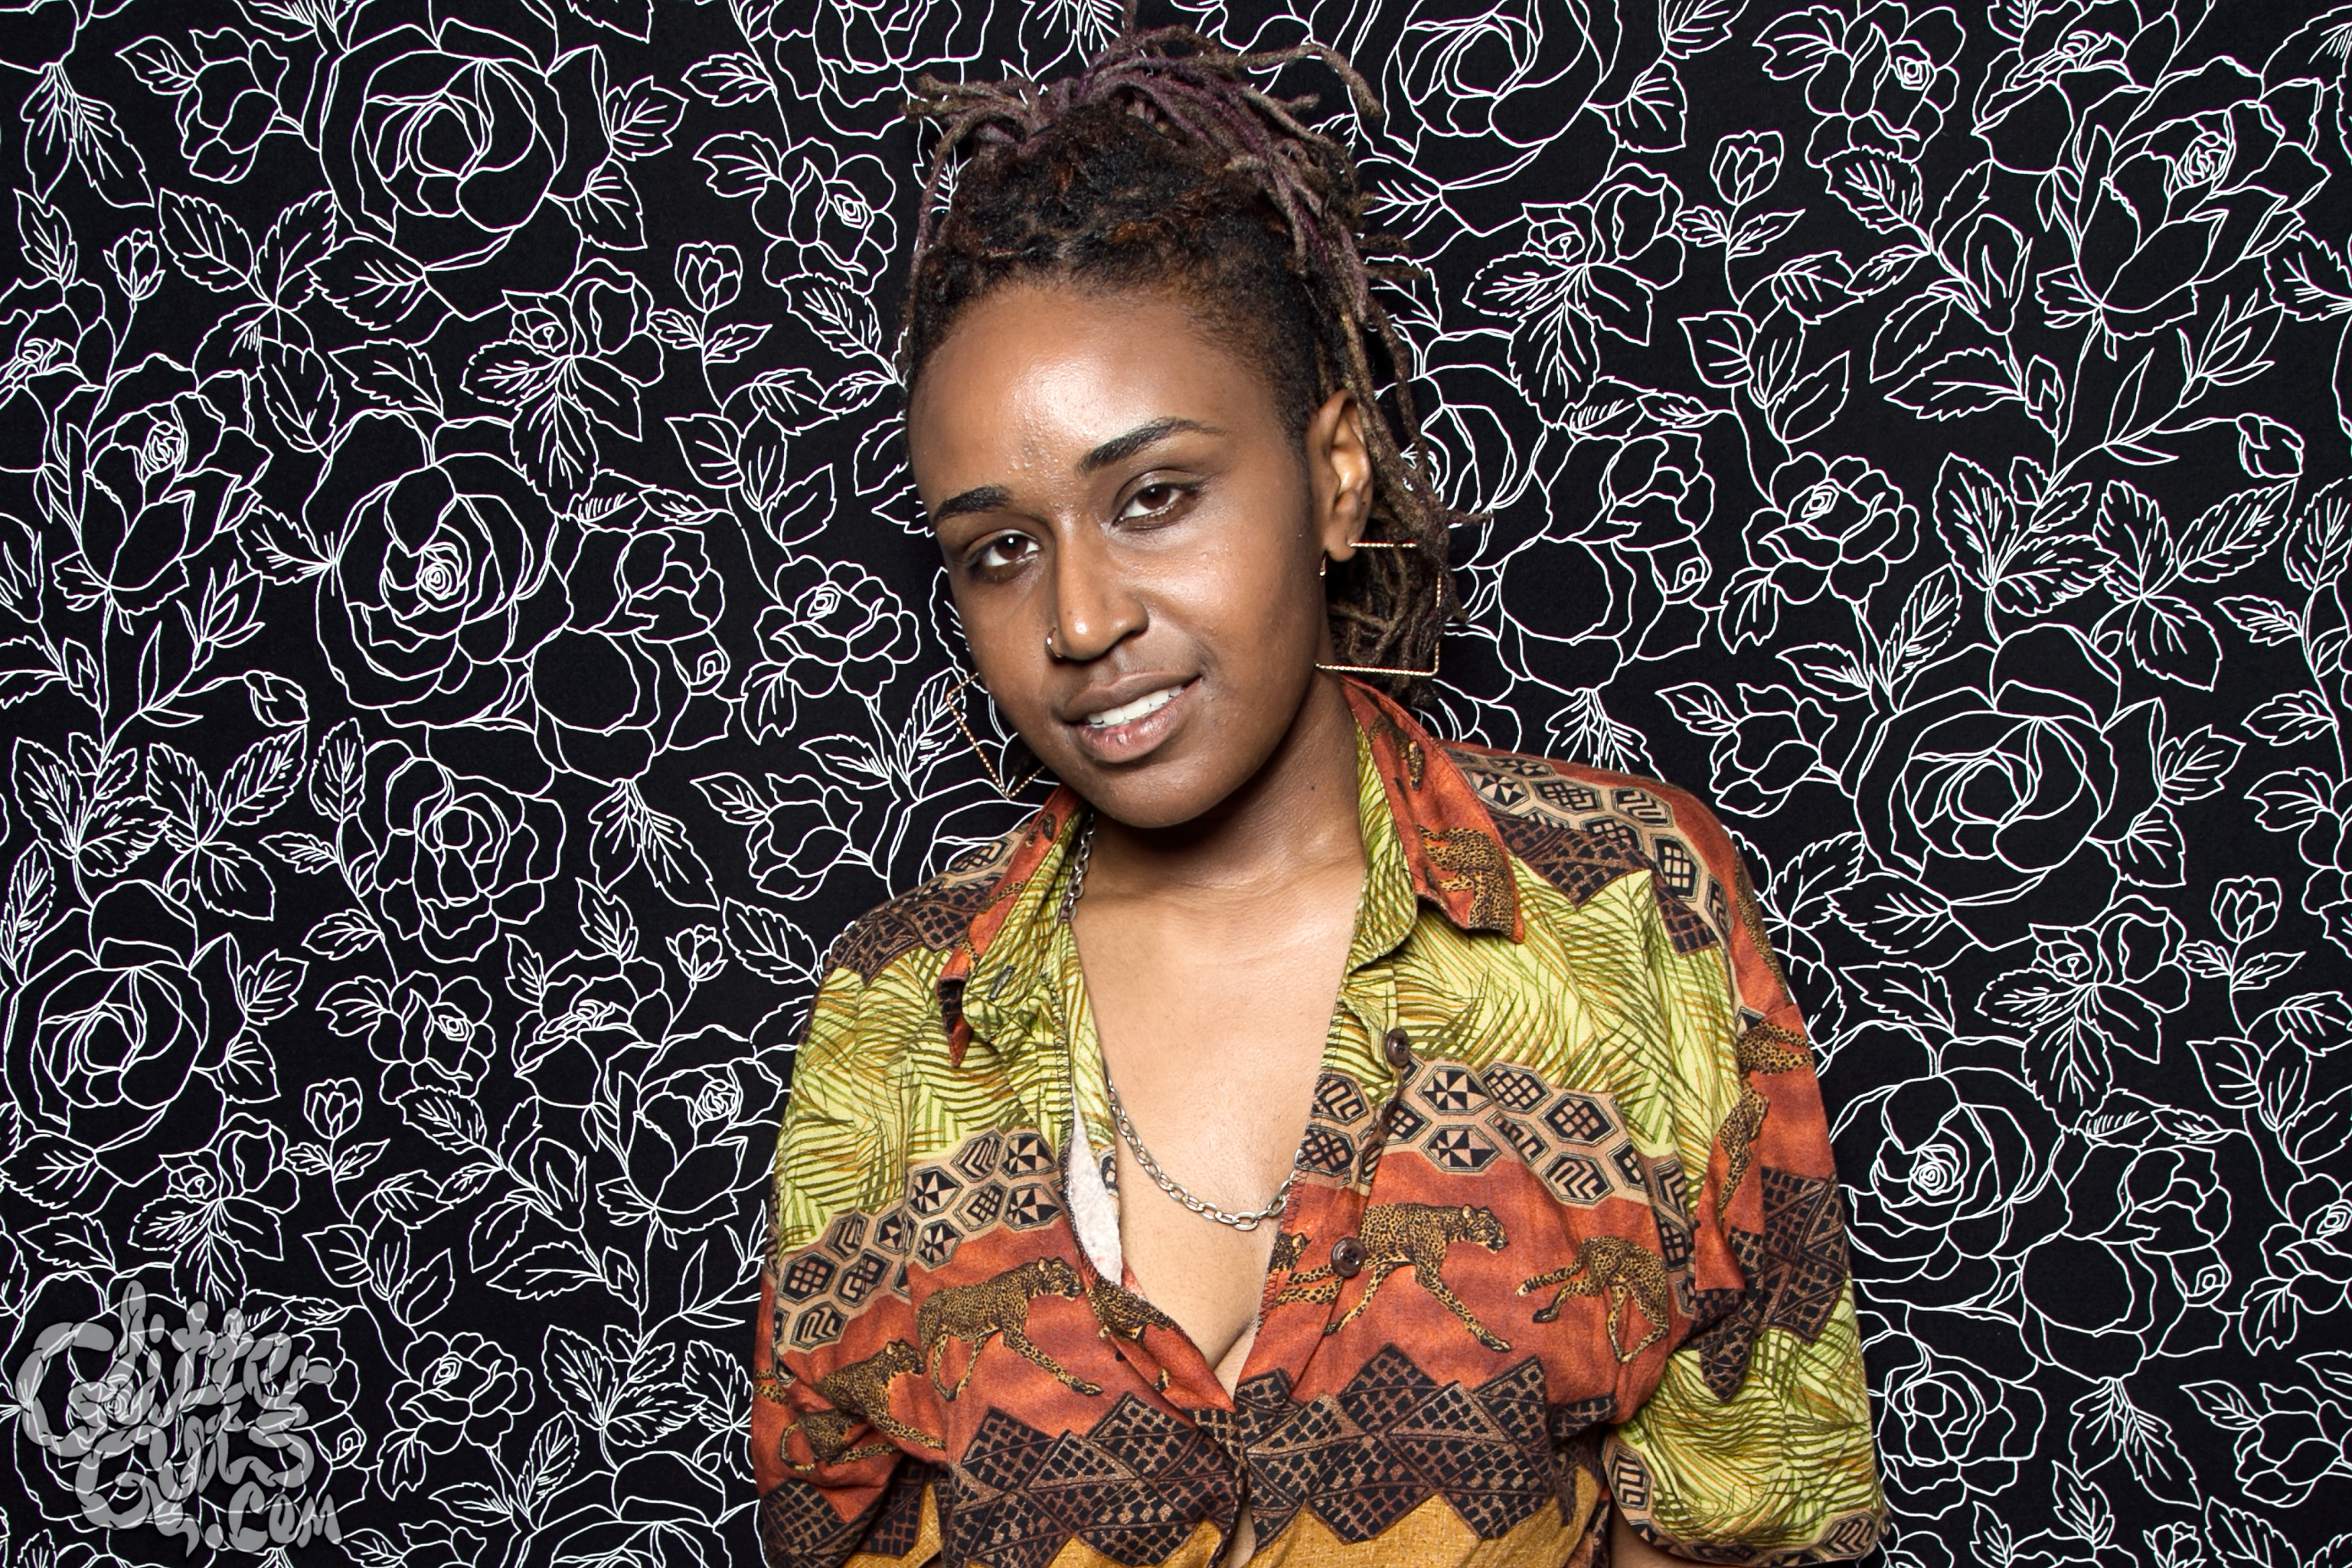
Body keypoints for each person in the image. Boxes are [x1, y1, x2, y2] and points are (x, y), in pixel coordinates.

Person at [746, 22, 1885, 1568]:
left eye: (1156, 497)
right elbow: (833, 1527)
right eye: (1001, 550)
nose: (1080, 619)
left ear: (1336, 474)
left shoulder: (1627, 914)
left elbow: (1754, 1520)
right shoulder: (895, 1012)